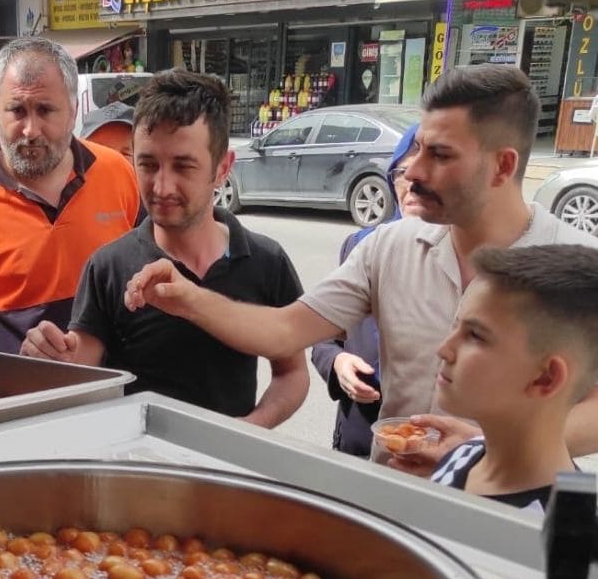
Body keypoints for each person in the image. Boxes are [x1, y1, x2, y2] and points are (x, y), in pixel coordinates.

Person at [123, 63, 598, 468]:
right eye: (417, 149)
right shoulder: (389, 246)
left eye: (440, 155)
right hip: (393, 506)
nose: (412, 172)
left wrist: (484, 450)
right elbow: (285, 330)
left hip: (522, 522)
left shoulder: (578, 270)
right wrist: (187, 298)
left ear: (502, 166)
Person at [20, 70, 308, 425]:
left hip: (228, 469)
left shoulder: (266, 261)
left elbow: (292, 373)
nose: (162, 186)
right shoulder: (109, 267)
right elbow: (80, 370)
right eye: (148, 164)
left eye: (183, 166)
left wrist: (247, 432)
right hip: (138, 469)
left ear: (222, 168)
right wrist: (49, 358)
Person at [0, 37, 141, 353]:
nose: (30, 130)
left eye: (45, 110)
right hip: (15, 395)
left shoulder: (119, 173)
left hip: (118, 389)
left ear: (72, 112)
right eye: (17, 110)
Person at [430, 245, 598, 511]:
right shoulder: (462, 457)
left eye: (475, 335)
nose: (444, 349)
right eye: (457, 326)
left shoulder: (563, 537)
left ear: (545, 378)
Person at [310, 124, 420, 457]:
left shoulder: (467, 259)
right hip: (359, 433)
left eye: (428, 171)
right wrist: (338, 363)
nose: (413, 184)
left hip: (426, 445)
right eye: (403, 173)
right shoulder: (361, 245)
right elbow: (323, 335)